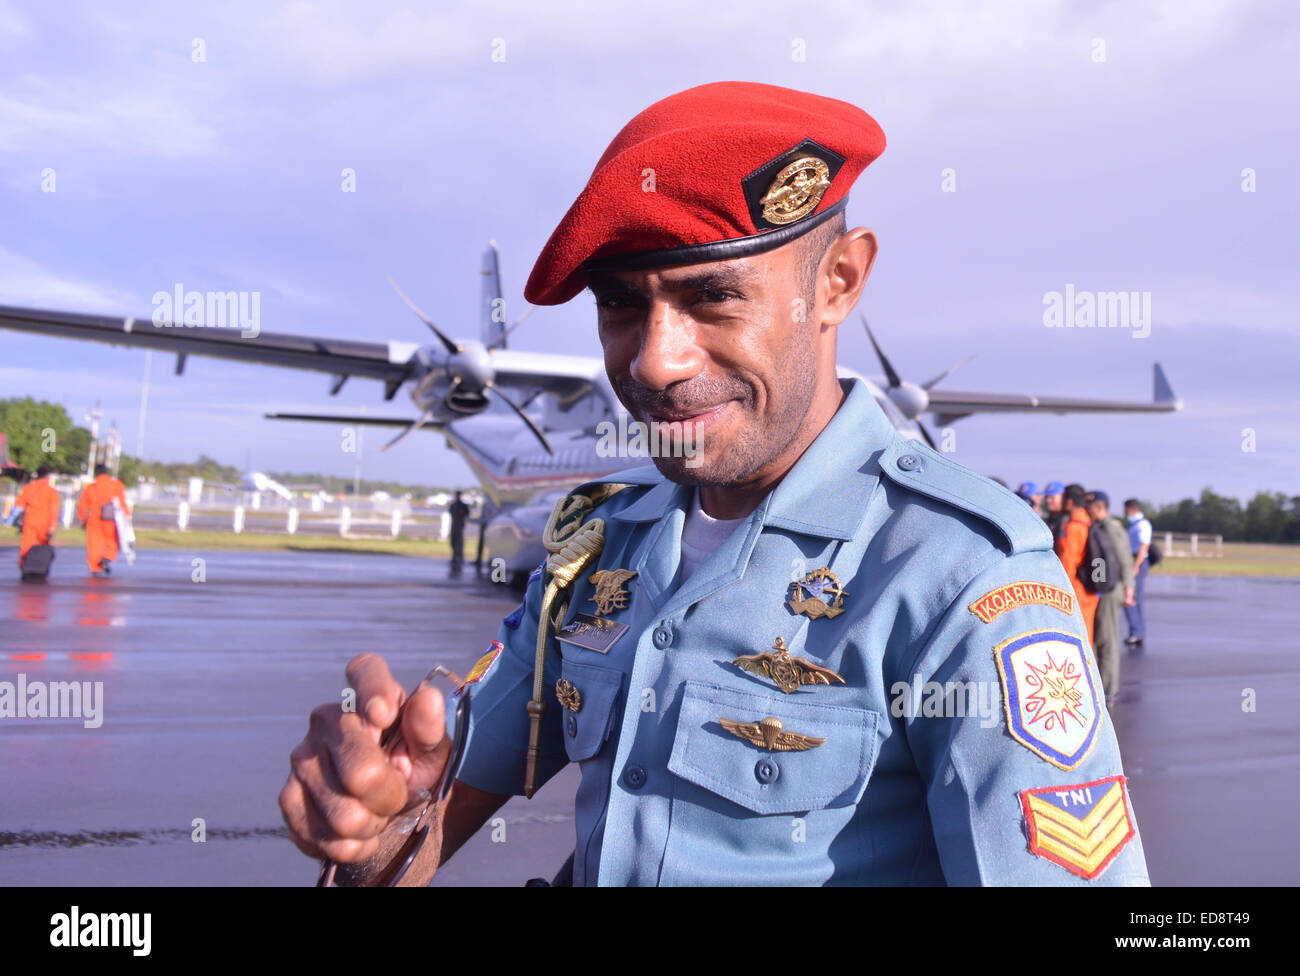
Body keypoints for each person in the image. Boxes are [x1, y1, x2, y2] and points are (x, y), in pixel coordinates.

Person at [280, 82, 1147, 886]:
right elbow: (423, 826)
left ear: (838, 281)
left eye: (714, 298)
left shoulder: (966, 576)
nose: (655, 361)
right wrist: (377, 826)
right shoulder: (597, 546)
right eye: (621, 305)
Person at [1086, 491, 1135, 699]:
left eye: (1089, 506)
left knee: (1107, 639)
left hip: (1111, 588)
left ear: (1099, 507)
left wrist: (1129, 588)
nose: (1086, 510)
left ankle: (1108, 689)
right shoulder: (1099, 526)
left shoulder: (1110, 528)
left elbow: (1124, 558)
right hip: (1104, 586)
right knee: (1101, 637)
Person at [1054, 484, 1099, 649]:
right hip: (1089, 589)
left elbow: (1068, 561)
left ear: (1070, 501)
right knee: (1087, 633)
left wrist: (1062, 589)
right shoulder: (1088, 522)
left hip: (1076, 588)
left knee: (1078, 637)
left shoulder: (1073, 527)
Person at [77, 463, 130, 575]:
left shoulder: (91, 488)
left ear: (96, 474)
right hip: (110, 519)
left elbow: (83, 504)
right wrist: (127, 515)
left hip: (94, 520)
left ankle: (95, 568)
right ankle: (107, 557)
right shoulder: (116, 485)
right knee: (113, 542)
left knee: (93, 545)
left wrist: (82, 518)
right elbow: (122, 502)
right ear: (106, 472)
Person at [13, 465, 61, 573]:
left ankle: (23, 564)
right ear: (48, 476)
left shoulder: (28, 488)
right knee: (44, 546)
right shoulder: (51, 491)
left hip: (29, 520)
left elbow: (19, 505)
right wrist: (53, 525)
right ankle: (41, 566)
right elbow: (54, 509)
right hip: (44, 522)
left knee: (26, 544)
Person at [1123, 498, 1153, 648]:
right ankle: (1137, 632)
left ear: (1130, 509)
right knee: (1135, 597)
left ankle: (1136, 632)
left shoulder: (1142, 525)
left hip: (1137, 561)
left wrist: (1136, 565)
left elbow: (1144, 546)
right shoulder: (1133, 524)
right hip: (1133, 560)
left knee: (1131, 596)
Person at [447, 491, 470, 571]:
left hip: (460, 526)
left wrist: (462, 514)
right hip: (454, 526)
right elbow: (450, 513)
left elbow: (467, 513)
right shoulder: (453, 505)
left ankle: (459, 557)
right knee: (453, 542)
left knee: (459, 543)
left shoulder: (463, 506)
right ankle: (454, 557)